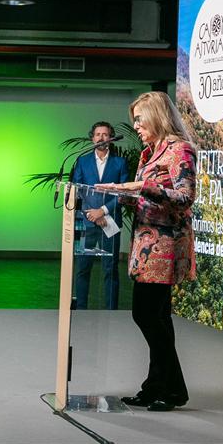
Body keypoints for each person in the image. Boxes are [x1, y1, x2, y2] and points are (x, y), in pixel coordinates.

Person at [95, 91, 197, 412]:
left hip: (165, 247)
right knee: (157, 318)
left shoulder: (180, 150)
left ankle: (170, 388)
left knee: (147, 315)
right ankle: (158, 387)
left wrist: (140, 186)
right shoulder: (149, 153)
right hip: (144, 245)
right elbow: (144, 197)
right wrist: (120, 193)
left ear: (156, 115)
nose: (136, 126)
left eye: (139, 119)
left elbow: (185, 197)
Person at [71, 121, 130, 310]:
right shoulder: (82, 161)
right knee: (82, 268)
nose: (101, 138)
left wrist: (103, 211)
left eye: (105, 134)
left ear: (111, 138)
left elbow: (123, 194)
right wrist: (93, 214)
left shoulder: (120, 163)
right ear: (92, 138)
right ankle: (81, 309)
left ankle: (111, 311)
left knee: (110, 269)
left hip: (110, 221)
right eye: (98, 134)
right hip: (86, 222)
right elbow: (78, 191)